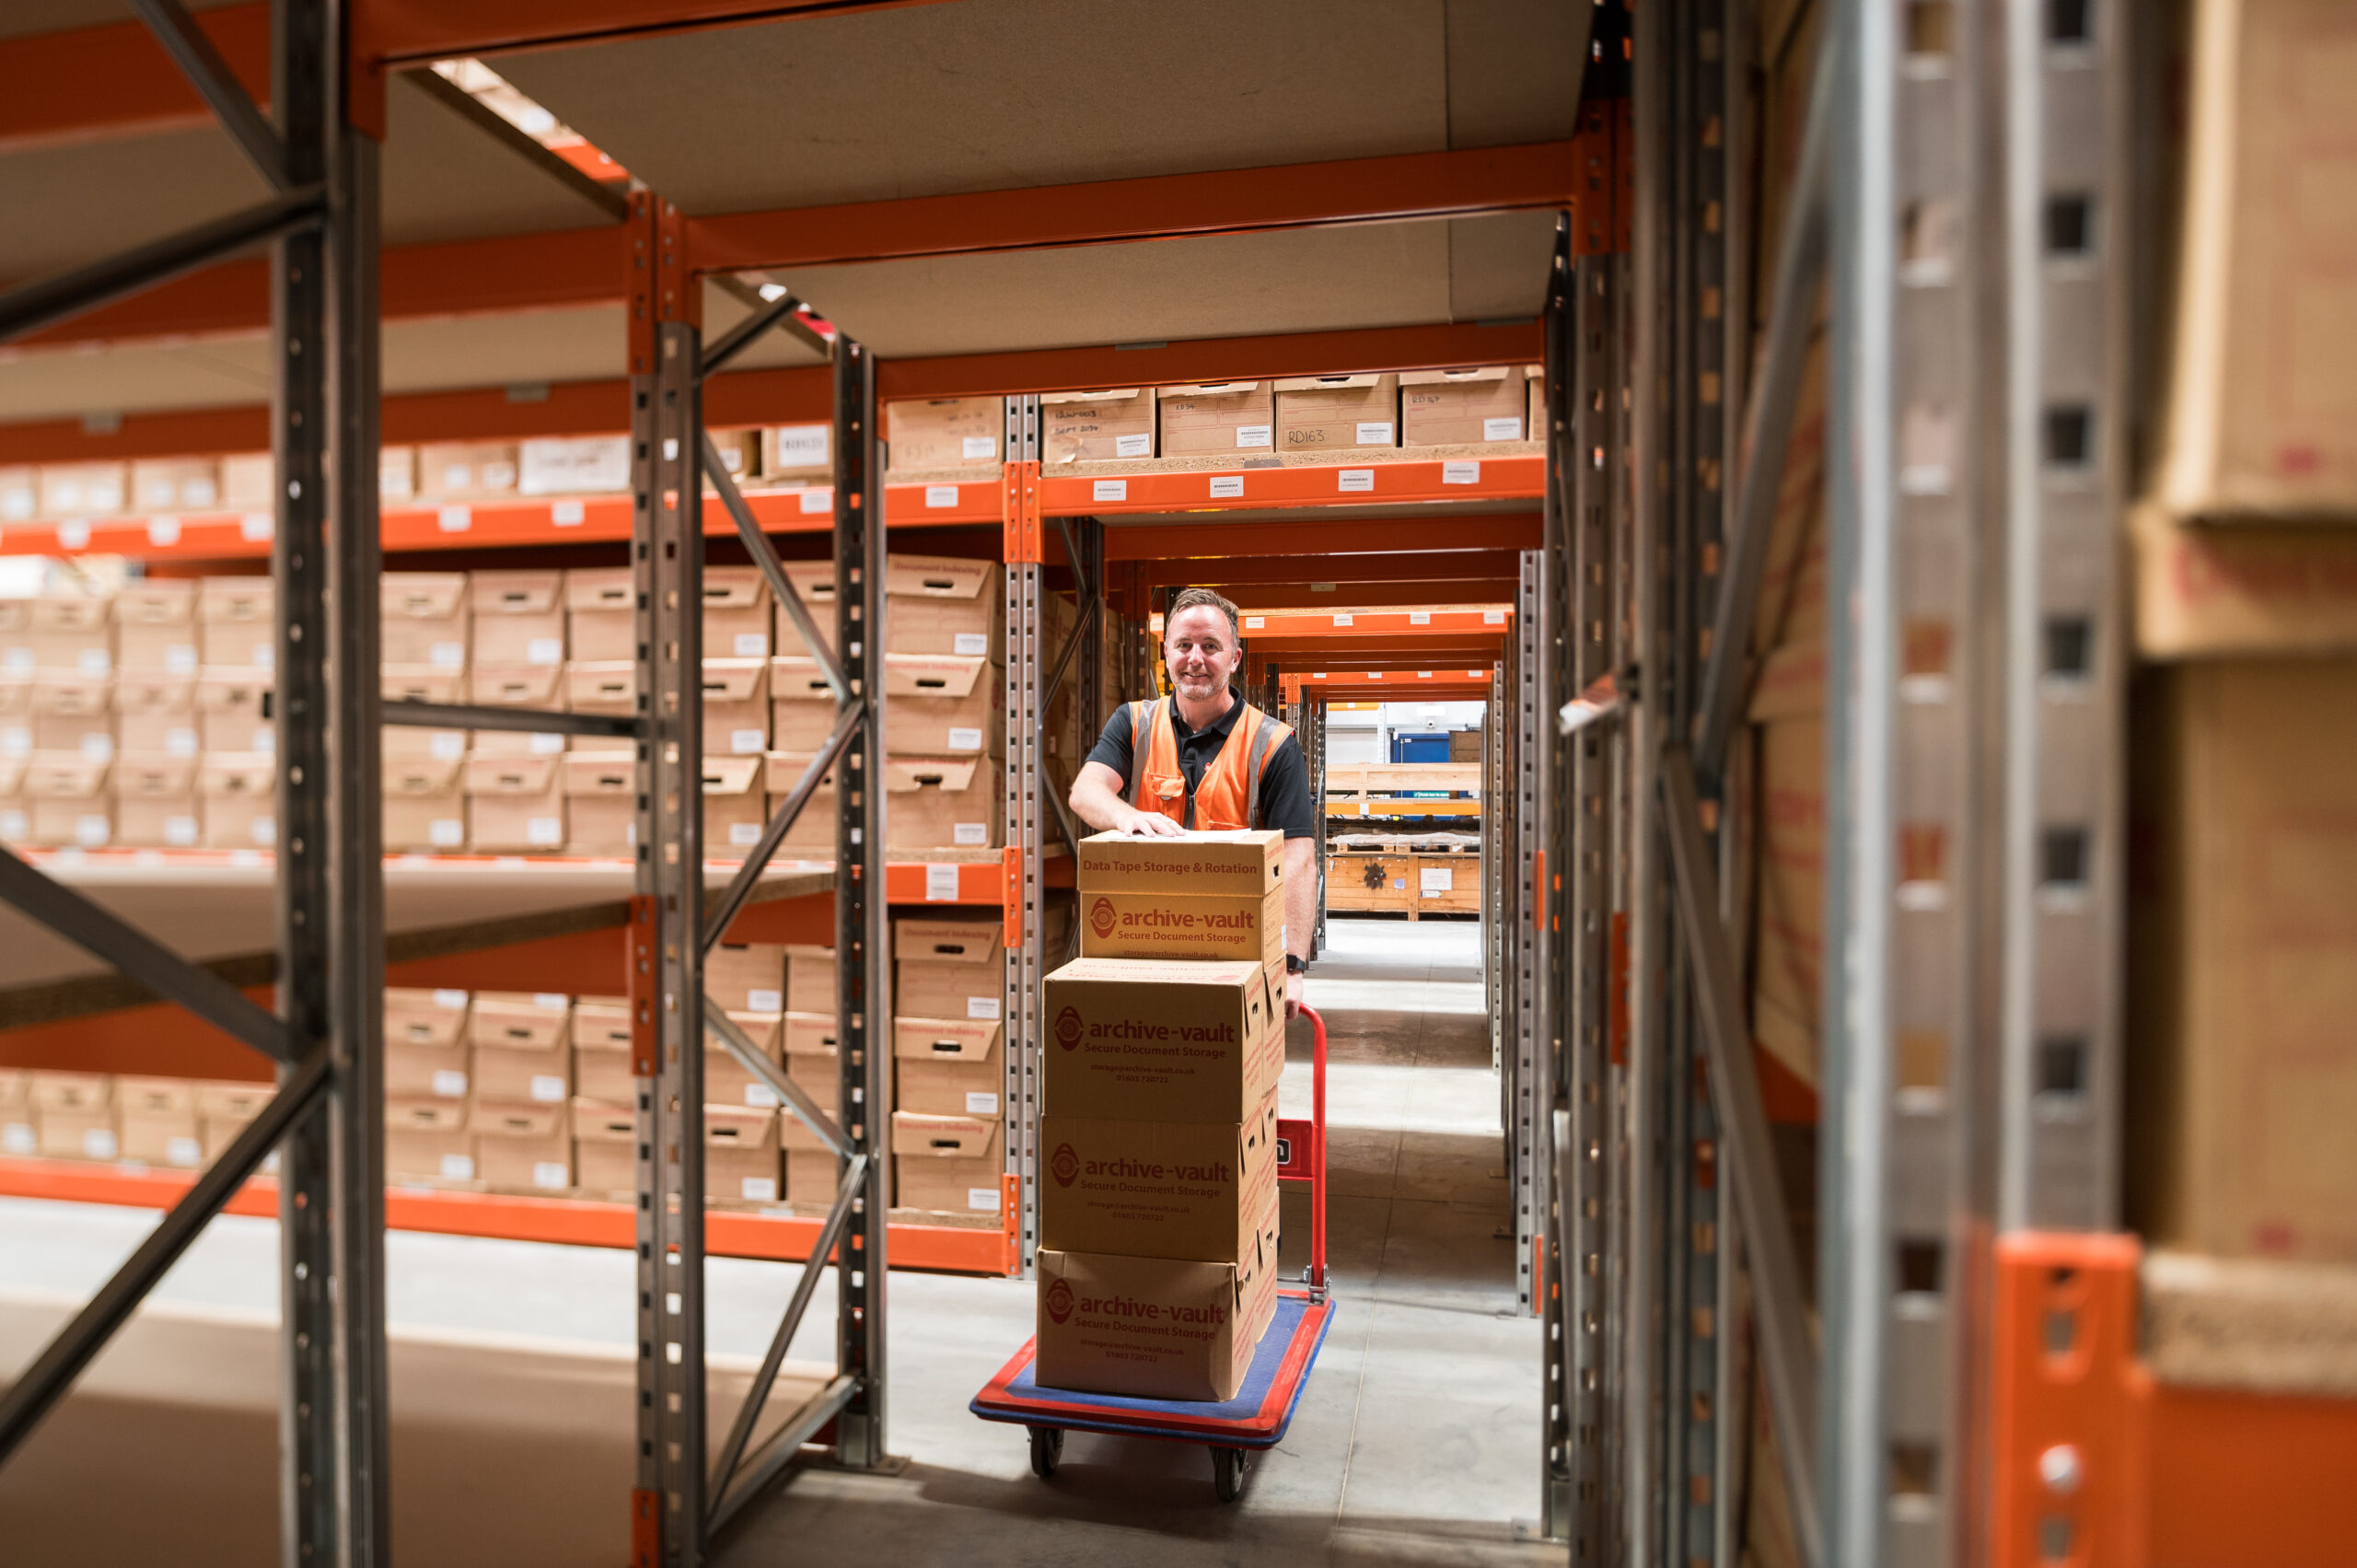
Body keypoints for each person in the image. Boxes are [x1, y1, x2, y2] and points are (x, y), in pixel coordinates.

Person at [1069, 587, 1317, 1016]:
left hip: (1235, 955)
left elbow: (1298, 860)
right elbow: (1085, 792)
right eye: (1183, 645)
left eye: (1210, 647)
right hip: (1144, 942)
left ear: (1235, 658)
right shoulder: (1133, 723)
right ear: (1166, 652)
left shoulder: (1273, 745)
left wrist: (1292, 965)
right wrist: (1125, 816)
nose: (1195, 659)